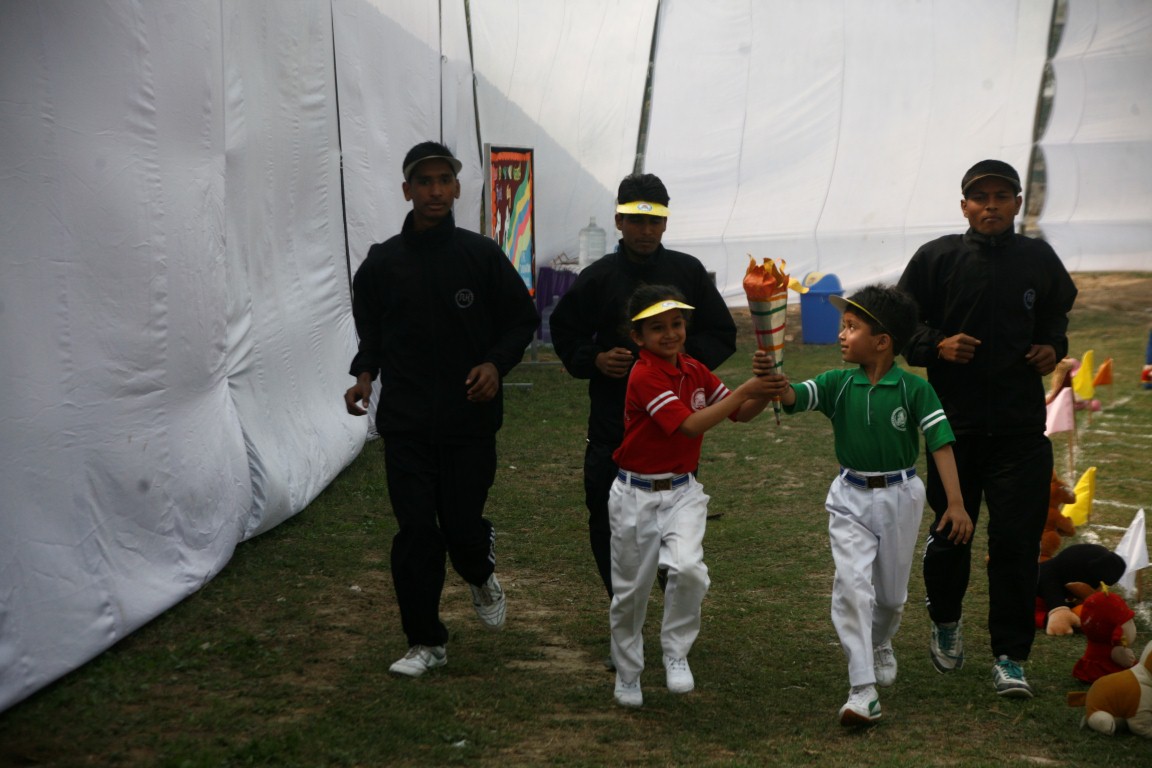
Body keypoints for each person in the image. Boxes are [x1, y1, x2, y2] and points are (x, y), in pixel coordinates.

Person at [343, 141, 539, 678]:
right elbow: (371, 334)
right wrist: (364, 376)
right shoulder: (382, 264)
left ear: (456, 188)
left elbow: (521, 320)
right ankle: (425, 641)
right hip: (406, 422)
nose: (435, 191)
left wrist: (495, 364)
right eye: (424, 182)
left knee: (460, 528)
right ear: (407, 190)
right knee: (415, 532)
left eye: (444, 181)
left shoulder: (481, 255)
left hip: (469, 421)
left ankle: (479, 570)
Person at [897, 159, 1078, 698]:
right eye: (980, 197)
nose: (991, 205)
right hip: (953, 430)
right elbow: (902, 325)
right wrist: (937, 345)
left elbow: (1056, 313)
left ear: (1018, 203)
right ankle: (946, 620)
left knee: (1017, 544)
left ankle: (1010, 657)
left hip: (1021, 430)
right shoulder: (937, 258)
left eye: (1002, 196)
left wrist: (1053, 347)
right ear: (964, 206)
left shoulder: (1038, 258)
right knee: (953, 533)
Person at [753, 284, 972, 726]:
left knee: (889, 599)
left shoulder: (914, 389)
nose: (841, 334)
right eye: (843, 326)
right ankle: (862, 689)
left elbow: (941, 443)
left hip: (901, 497)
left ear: (883, 341)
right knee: (852, 587)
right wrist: (773, 376)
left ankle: (880, 640)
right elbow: (794, 397)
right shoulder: (837, 383)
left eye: (851, 327)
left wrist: (955, 503)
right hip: (849, 496)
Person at [549, 174, 737, 603]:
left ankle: (675, 603)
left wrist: (679, 362)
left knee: (675, 532)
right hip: (613, 425)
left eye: (654, 222)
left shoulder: (687, 272)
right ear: (619, 221)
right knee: (606, 521)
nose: (646, 230)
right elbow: (565, 331)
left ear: (666, 223)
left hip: (672, 432)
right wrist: (596, 359)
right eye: (636, 220)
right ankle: (623, 610)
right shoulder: (598, 277)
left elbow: (722, 333)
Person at [610, 285, 774, 707]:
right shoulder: (644, 374)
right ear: (637, 336)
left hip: (683, 492)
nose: (670, 333)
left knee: (688, 570)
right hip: (634, 496)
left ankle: (676, 652)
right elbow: (690, 425)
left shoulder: (694, 368)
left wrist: (765, 388)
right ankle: (628, 673)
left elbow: (740, 413)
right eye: (657, 327)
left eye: (677, 323)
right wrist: (747, 389)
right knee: (631, 592)